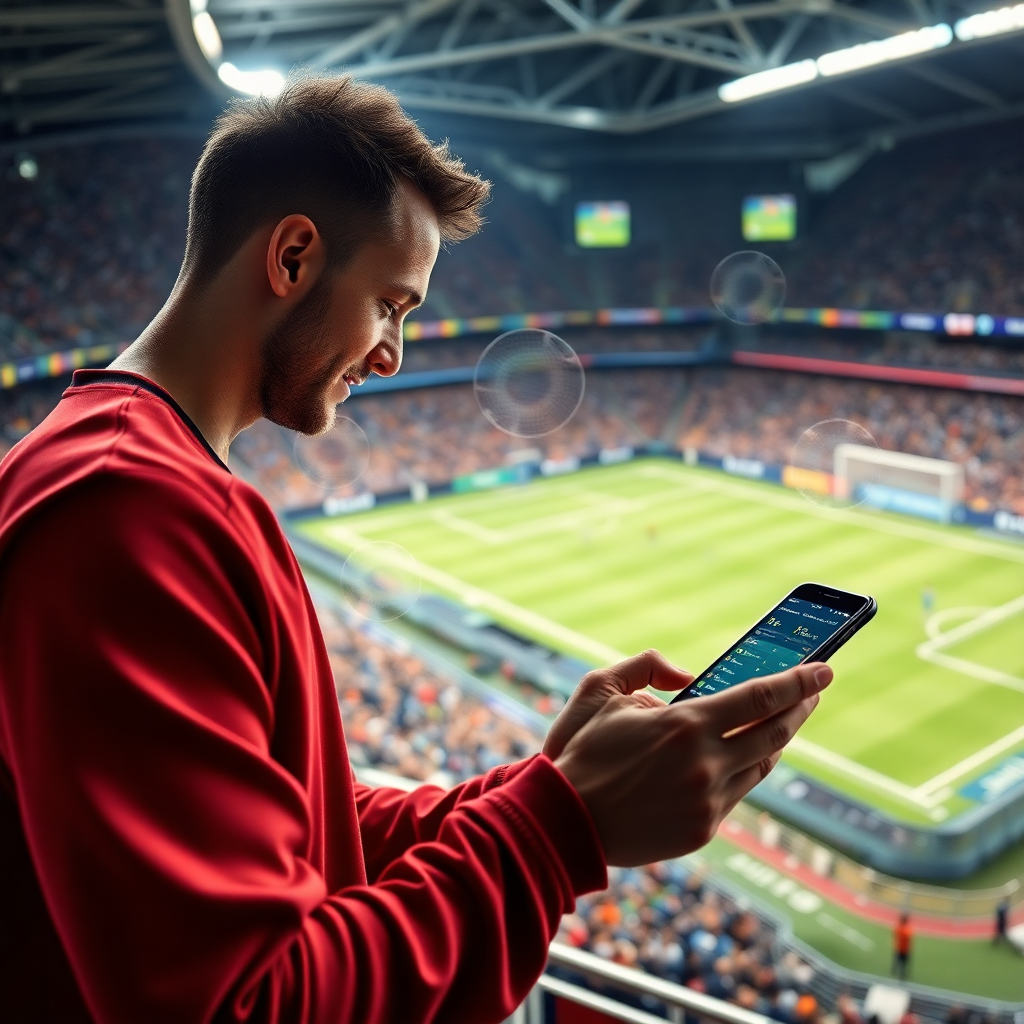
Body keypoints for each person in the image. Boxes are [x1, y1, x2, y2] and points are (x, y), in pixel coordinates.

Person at [0, 76, 832, 1024]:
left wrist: (546, 787)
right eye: (392, 304)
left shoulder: (147, 482)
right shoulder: (125, 509)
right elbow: (247, 1004)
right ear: (295, 255)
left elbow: (309, 832)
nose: (392, 353)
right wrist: (562, 829)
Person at [893, 913, 913, 981]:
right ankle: (901, 975)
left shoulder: (899, 928)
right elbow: (908, 936)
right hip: (903, 949)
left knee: (897, 961)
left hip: (900, 948)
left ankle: (896, 971)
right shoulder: (905, 930)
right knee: (902, 963)